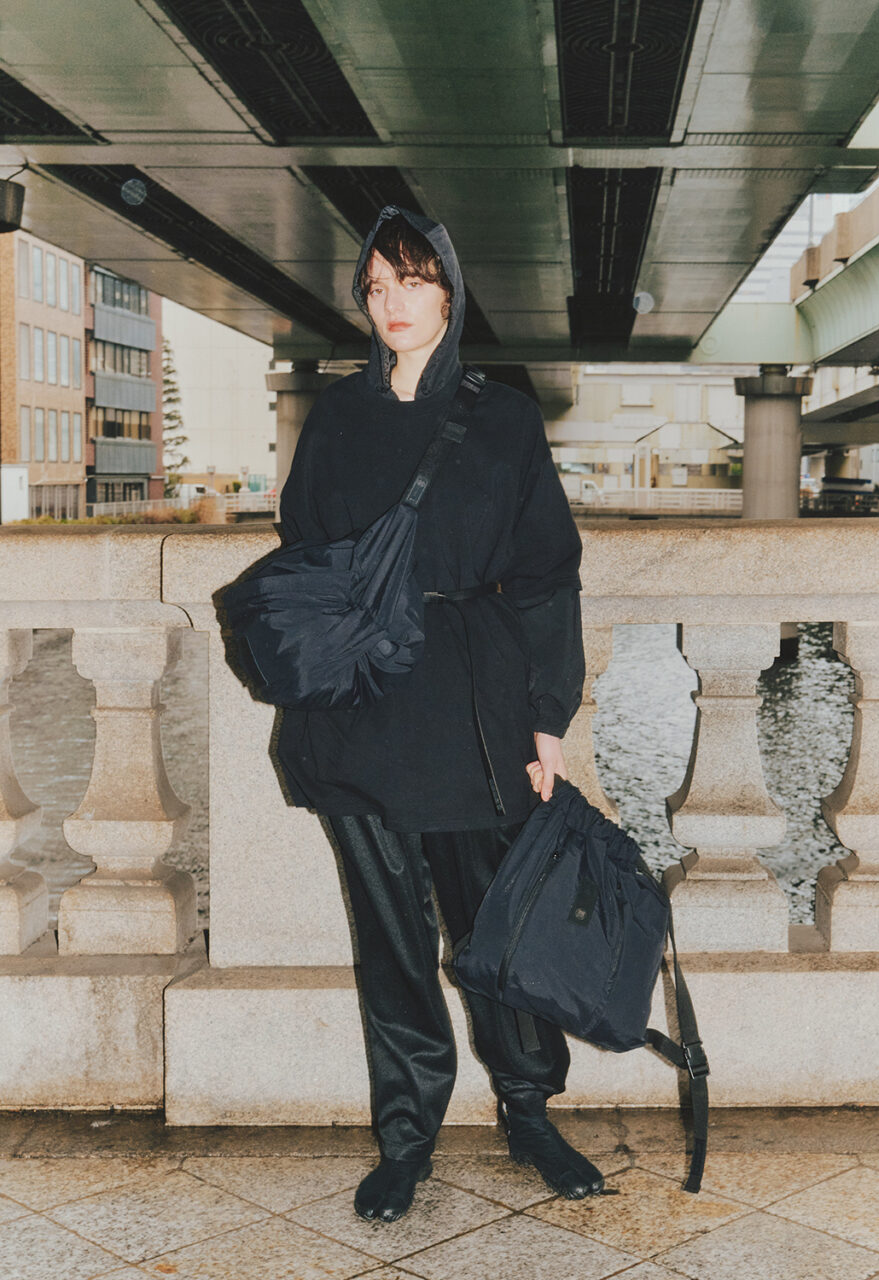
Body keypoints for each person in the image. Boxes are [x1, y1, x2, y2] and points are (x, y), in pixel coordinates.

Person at [275, 206, 602, 1222]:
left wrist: (547, 718)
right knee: (391, 942)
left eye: (412, 281)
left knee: (497, 926)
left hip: (473, 711)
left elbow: (546, 573)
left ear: (450, 294)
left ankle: (528, 1109)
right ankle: (406, 1135)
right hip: (363, 710)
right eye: (376, 286)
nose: (393, 303)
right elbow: (303, 550)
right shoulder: (336, 415)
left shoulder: (501, 418)